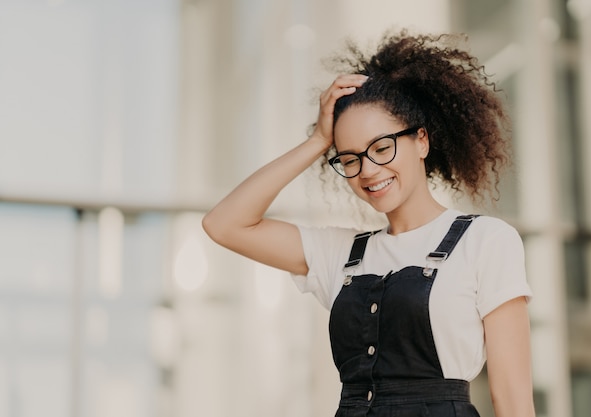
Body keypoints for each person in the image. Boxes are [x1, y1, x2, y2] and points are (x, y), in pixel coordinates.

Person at [203, 30, 535, 417]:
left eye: (381, 147)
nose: (369, 170)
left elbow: (512, 396)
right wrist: (316, 141)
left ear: (422, 141)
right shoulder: (341, 255)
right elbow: (224, 224)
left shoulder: (486, 240)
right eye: (349, 158)